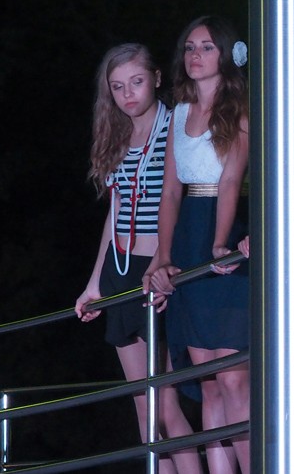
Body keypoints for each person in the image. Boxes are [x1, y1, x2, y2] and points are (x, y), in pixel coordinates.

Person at [75, 43, 202, 474]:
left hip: (155, 268)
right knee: (143, 408)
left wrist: (165, 262)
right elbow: (115, 212)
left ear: (156, 79)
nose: (128, 94)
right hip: (119, 268)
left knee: (165, 404)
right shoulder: (116, 135)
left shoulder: (177, 126)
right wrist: (95, 283)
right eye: (117, 87)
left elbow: (182, 203)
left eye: (136, 82)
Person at [146, 15, 252, 474]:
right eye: (190, 47)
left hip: (224, 225)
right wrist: (164, 256)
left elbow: (230, 180)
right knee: (206, 380)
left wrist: (221, 242)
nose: (195, 55)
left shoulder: (240, 108)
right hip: (190, 229)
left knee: (233, 376)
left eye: (207, 47)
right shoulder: (179, 111)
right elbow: (170, 190)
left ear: (226, 54)